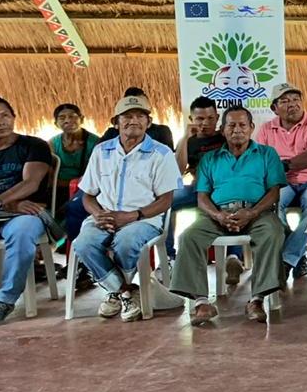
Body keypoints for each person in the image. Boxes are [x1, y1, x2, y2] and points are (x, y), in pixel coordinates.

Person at [169, 107, 287, 325]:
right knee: (189, 236)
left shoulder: (266, 154)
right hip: (218, 214)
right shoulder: (210, 159)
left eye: (242, 125)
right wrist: (218, 215)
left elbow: (274, 192)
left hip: (257, 212)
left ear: (252, 128)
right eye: (231, 125)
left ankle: (257, 300)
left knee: (273, 231)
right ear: (222, 130)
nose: (237, 130)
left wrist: (252, 212)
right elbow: (201, 197)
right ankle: (201, 303)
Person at [74, 94, 181, 322]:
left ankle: (115, 292)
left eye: (141, 116)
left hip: (144, 219)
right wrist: (98, 214)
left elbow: (166, 200)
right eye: (127, 116)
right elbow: (88, 195)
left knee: (126, 241)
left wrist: (133, 215)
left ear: (148, 122)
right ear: (116, 122)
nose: (134, 121)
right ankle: (125, 291)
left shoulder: (161, 153)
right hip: (104, 216)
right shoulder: (101, 151)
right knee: (83, 243)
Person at [254, 82, 307, 279]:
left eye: (296, 99)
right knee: (269, 205)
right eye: (285, 101)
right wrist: (276, 171)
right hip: (282, 181)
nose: (292, 104)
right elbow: (260, 160)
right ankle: (298, 255)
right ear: (274, 108)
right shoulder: (266, 129)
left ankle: (286, 260)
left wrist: (282, 165)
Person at [0, 97, 57, 323]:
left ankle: (5, 299)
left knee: (22, 232)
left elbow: (30, 184)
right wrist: (9, 203)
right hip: (12, 207)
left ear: (14, 117)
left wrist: (4, 203)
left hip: (25, 213)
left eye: (4, 115)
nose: (0, 121)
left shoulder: (33, 145)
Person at [169, 97, 225, 262]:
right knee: (165, 201)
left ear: (217, 117)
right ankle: (169, 256)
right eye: (200, 118)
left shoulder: (225, 137)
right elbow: (177, 172)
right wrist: (185, 138)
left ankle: (233, 256)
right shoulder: (188, 142)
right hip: (197, 190)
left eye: (210, 118)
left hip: (224, 191)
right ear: (191, 119)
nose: (205, 123)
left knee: (234, 202)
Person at [48, 102, 99, 219]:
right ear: (56, 123)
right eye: (62, 118)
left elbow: (94, 175)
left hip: (85, 189)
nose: (68, 121)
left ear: (82, 119)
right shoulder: (52, 144)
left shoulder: (95, 143)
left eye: (72, 116)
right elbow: (49, 177)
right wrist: (67, 184)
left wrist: (77, 184)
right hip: (57, 189)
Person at [100, 87, 175, 149]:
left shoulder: (162, 132)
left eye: (140, 114)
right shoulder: (111, 134)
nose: (134, 121)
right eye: (128, 115)